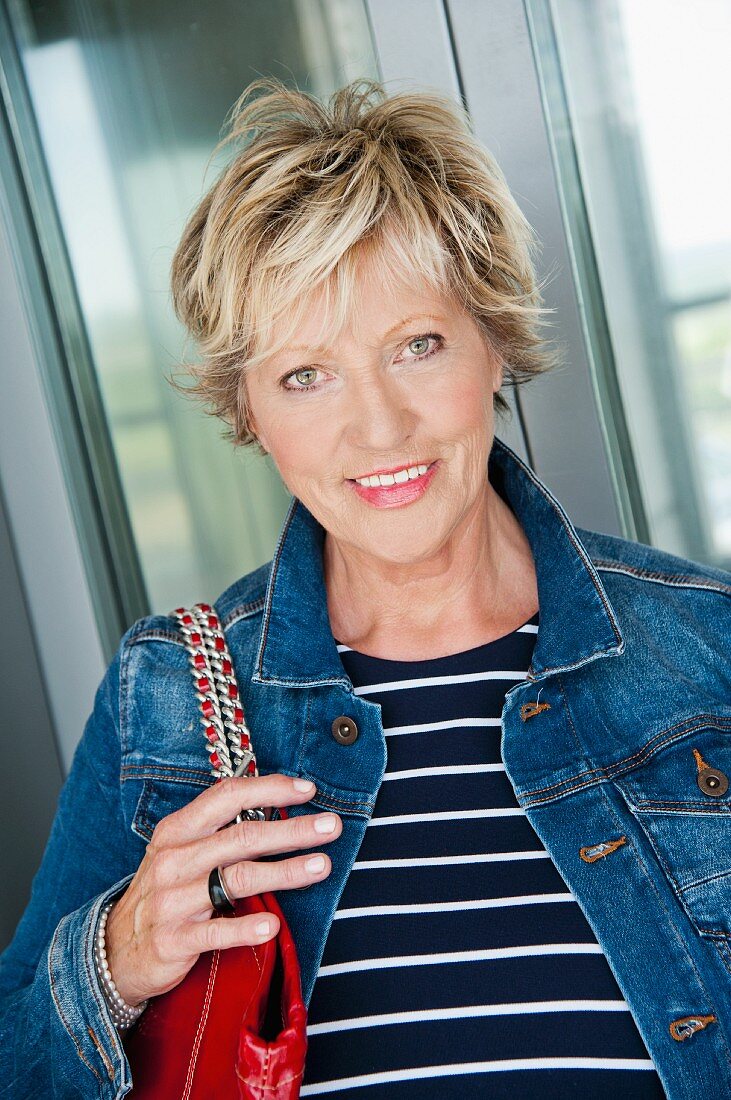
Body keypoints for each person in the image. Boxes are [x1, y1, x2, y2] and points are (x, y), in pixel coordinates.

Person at [1, 76, 729, 1100]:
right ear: (247, 406)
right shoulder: (164, 693)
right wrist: (114, 959)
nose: (377, 427)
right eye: (306, 373)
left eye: (415, 345)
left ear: (494, 344)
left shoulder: (708, 645)